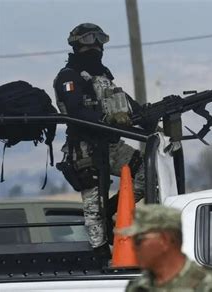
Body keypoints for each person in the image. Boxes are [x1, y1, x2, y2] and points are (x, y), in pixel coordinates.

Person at [53, 23, 149, 260]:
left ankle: (112, 211)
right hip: (85, 149)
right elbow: (74, 110)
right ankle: (100, 258)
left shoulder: (104, 76)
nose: (95, 46)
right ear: (76, 45)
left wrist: (148, 115)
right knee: (94, 208)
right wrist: (107, 118)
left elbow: (127, 105)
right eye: (88, 40)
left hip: (111, 146)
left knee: (148, 170)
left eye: (99, 40)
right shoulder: (68, 77)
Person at [119, 204, 212, 292]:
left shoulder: (210, 286)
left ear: (164, 240)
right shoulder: (139, 286)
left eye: (139, 240)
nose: (133, 247)